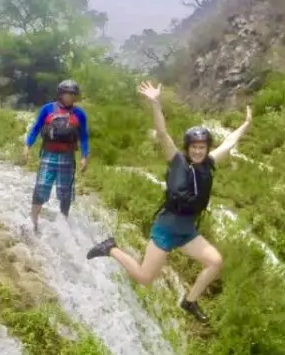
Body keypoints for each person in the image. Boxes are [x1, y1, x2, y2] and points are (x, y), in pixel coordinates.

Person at [86, 81, 252, 322]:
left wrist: (246, 125)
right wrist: (155, 104)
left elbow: (229, 143)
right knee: (144, 278)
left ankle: (189, 301)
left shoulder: (209, 164)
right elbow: (162, 133)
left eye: (202, 147)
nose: (198, 151)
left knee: (215, 262)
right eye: (194, 147)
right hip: (166, 228)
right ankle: (110, 248)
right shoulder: (177, 161)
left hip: (187, 231)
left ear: (206, 149)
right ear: (188, 148)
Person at [23, 79, 89, 233]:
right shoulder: (47, 109)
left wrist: (85, 156)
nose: (70, 97)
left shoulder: (79, 114)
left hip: (67, 158)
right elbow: (36, 128)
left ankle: (63, 221)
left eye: (73, 94)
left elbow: (84, 136)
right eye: (67, 94)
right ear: (60, 94)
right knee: (41, 187)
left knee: (65, 192)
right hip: (48, 155)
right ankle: (33, 221)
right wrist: (27, 145)